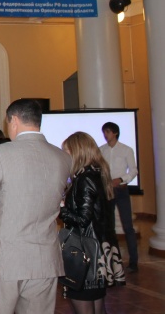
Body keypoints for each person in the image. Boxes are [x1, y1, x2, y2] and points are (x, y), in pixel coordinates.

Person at [0, 99, 71, 314]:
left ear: (14, 120)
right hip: (44, 259)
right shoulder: (62, 157)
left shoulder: (0, 154)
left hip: (5, 257)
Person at [60, 132, 126, 314]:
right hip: (97, 250)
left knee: (83, 300)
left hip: (86, 253)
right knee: (97, 303)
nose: (64, 156)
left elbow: (82, 219)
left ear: (78, 152)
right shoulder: (96, 174)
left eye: (66, 151)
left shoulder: (85, 178)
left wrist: (61, 208)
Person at [99, 121, 139, 273]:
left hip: (121, 190)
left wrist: (121, 179)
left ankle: (133, 262)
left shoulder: (126, 150)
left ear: (115, 133)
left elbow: (134, 170)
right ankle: (112, 261)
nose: (106, 135)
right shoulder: (101, 150)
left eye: (108, 132)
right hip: (107, 190)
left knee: (128, 226)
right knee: (109, 226)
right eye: (104, 132)